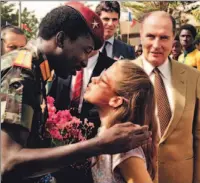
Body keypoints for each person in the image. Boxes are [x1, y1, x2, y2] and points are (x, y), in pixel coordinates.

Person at [1, 3, 151, 183]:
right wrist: (99, 145)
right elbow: (8, 163)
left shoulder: (35, 70)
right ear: (61, 39)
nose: (86, 63)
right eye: (86, 50)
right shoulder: (22, 73)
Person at [132, 11, 200, 183]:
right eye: (150, 36)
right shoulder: (122, 73)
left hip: (181, 176)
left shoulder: (193, 77)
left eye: (164, 37)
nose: (157, 45)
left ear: (173, 37)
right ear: (141, 36)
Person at [84, 61, 157, 183]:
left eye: (103, 80)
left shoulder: (125, 147)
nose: (94, 79)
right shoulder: (107, 133)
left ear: (116, 100)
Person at [49, 49, 116, 183]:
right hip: (60, 151)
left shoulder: (112, 67)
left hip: (93, 147)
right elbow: (53, 98)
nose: (96, 80)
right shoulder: (63, 63)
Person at [178, 24, 200, 104]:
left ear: (193, 38)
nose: (185, 39)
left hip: (195, 101)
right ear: (179, 38)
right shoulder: (180, 57)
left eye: (188, 36)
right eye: (182, 36)